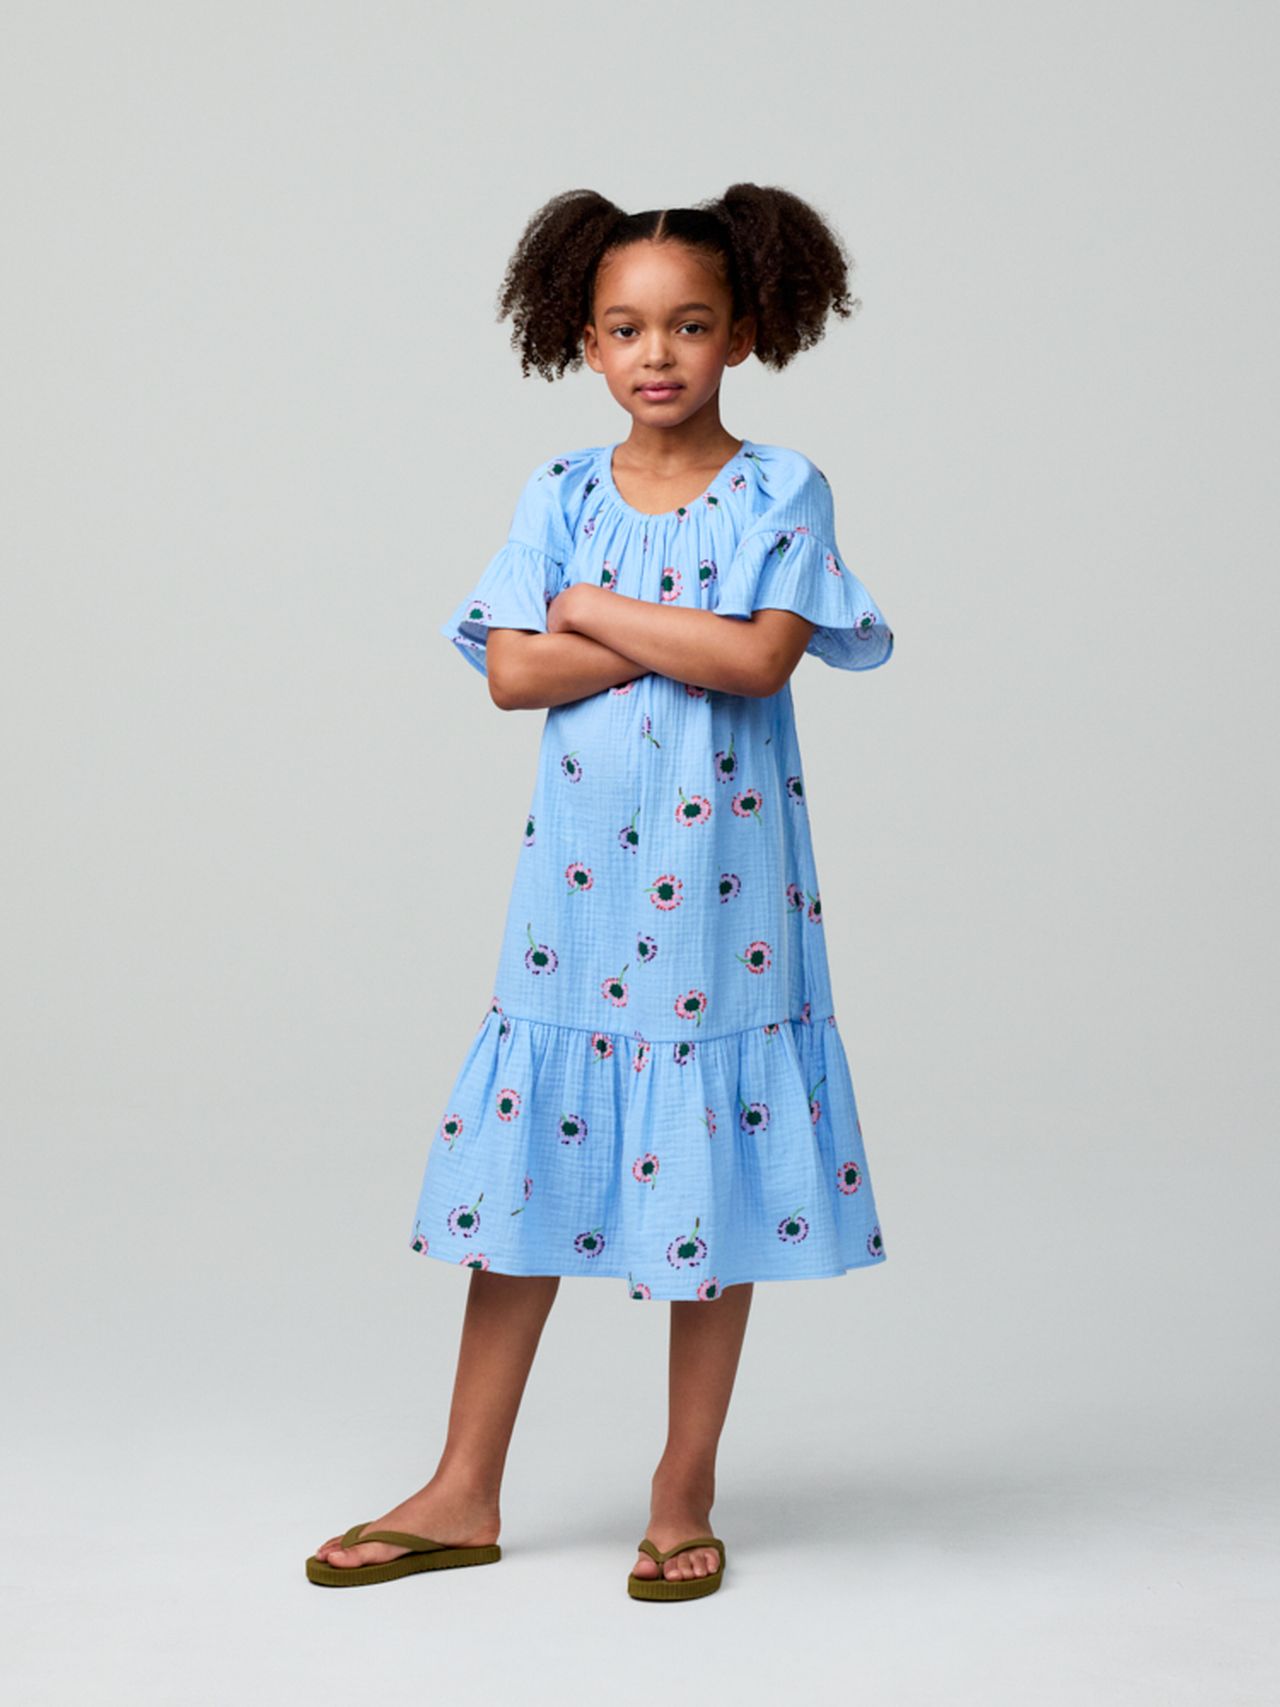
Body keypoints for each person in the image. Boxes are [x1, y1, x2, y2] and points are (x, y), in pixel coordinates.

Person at [307, 183, 896, 1602]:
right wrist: (659, 631)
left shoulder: (781, 489)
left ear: (742, 333)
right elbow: (511, 676)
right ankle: (462, 1485)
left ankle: (681, 1489)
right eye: (628, 327)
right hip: (576, 889)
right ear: (581, 340)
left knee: (710, 1153)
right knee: (529, 1170)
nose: (659, 353)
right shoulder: (558, 494)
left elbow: (760, 664)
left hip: (725, 895)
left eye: (690, 325)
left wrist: (590, 611)